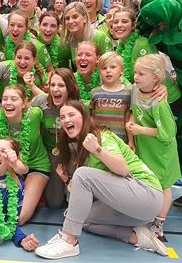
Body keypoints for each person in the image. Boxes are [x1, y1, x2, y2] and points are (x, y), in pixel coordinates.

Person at [33, 101, 167, 259]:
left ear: (84, 117)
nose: (65, 120)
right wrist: (66, 179)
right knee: (80, 216)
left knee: (83, 175)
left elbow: (123, 169)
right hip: (135, 209)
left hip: (147, 193)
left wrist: (97, 149)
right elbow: (82, 198)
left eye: (71, 115)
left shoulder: (102, 136)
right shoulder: (81, 148)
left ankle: (69, 241)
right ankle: (136, 237)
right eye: (62, 117)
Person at [128, 54, 180, 238]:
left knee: (164, 186)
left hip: (162, 153)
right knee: (147, 182)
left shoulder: (160, 102)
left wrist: (141, 130)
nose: (136, 77)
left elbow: (168, 134)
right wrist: (132, 133)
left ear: (156, 77)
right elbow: (133, 111)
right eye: (135, 72)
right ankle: (145, 216)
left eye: (141, 74)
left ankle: (159, 224)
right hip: (145, 149)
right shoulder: (135, 89)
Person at [0, 85, 48, 225]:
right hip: (9, 168)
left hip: (36, 166)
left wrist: (32, 85)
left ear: (24, 103)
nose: (8, 102)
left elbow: (48, 99)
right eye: (5, 99)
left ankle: (35, 193)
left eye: (14, 99)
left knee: (19, 219)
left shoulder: (35, 114)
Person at [30, 68, 80, 209]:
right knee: (55, 203)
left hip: (71, 155)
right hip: (49, 155)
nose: (55, 89)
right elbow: (22, 114)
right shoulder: (40, 102)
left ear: (70, 88)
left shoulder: (78, 107)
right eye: (52, 85)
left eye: (61, 85)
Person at [90, 52, 133, 145]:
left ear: (122, 70)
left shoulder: (128, 92)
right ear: (99, 72)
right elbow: (92, 117)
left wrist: (131, 141)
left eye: (113, 67)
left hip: (121, 141)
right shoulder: (95, 93)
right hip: (100, 140)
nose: (108, 71)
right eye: (104, 68)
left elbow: (128, 118)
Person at [60, 2, 114, 69]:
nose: (70, 21)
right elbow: (63, 69)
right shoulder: (67, 41)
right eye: (67, 18)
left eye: (75, 17)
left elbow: (111, 66)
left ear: (85, 18)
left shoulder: (100, 38)